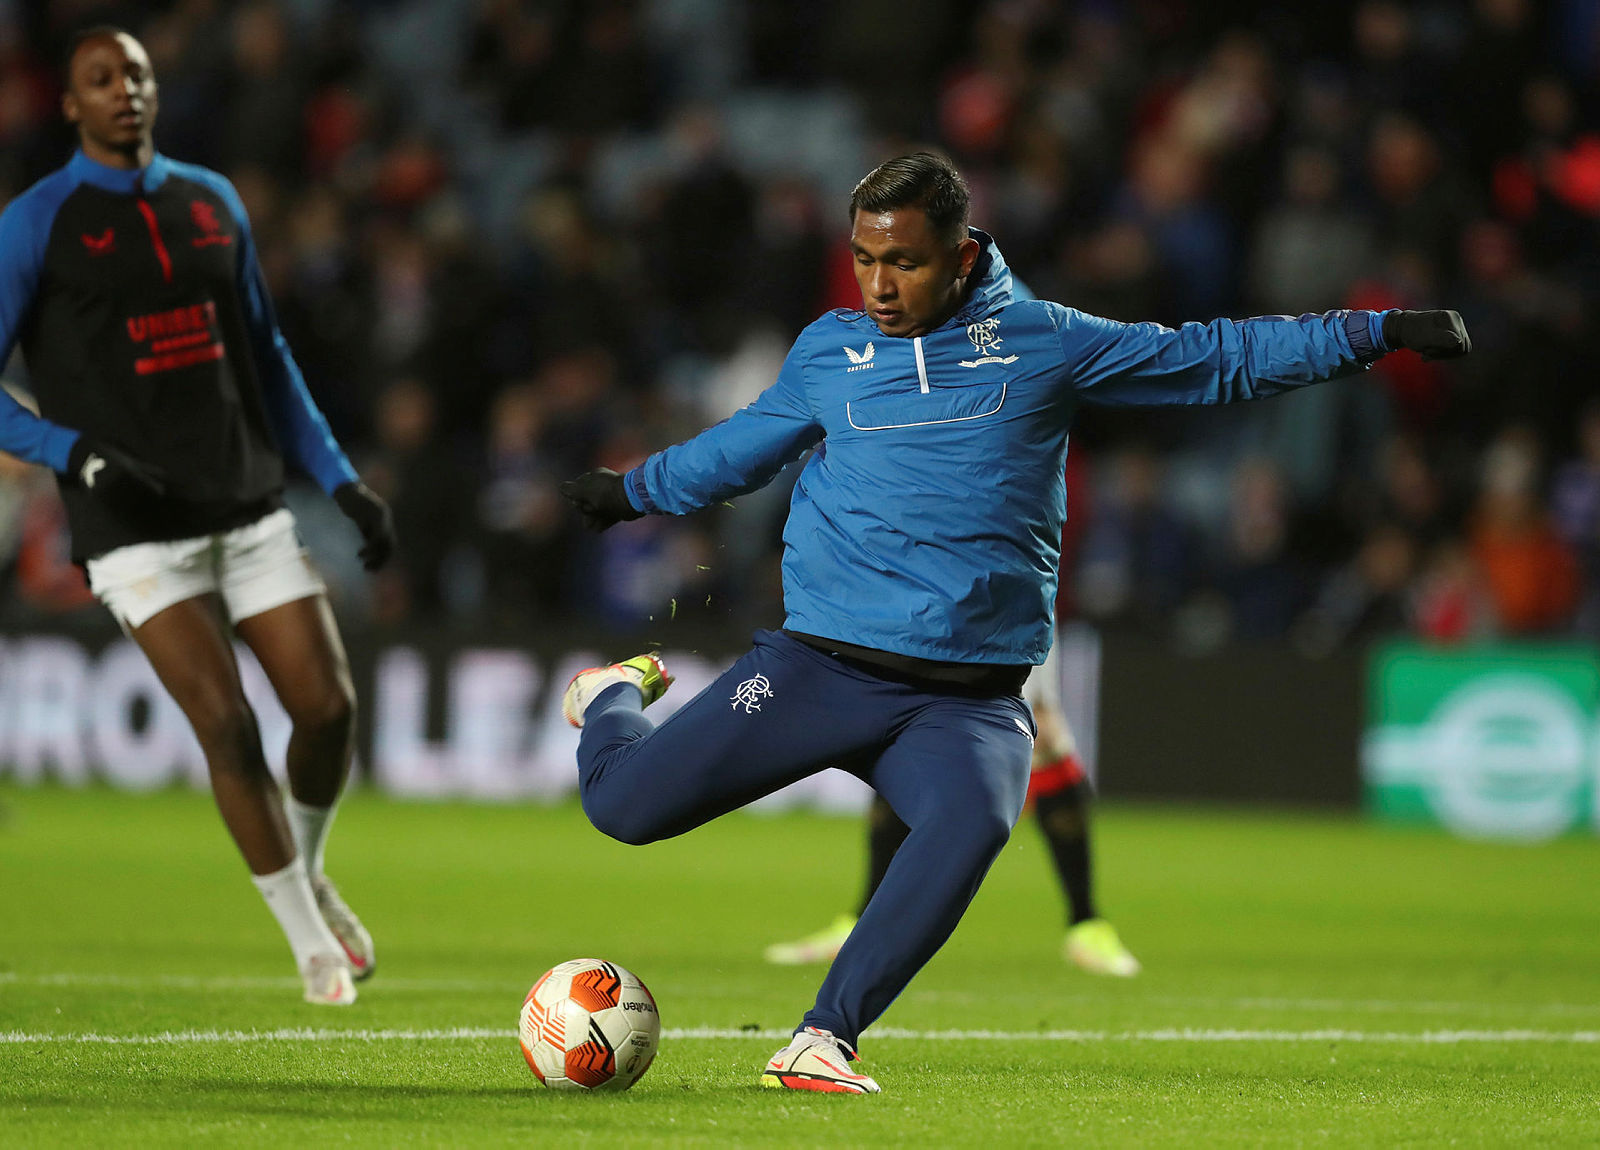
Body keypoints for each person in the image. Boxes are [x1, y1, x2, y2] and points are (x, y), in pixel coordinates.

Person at [559, 151, 1469, 1094]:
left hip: (967, 701)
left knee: (974, 819)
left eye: (903, 262)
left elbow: (1216, 357)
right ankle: (612, 695)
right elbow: (740, 451)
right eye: (865, 259)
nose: (878, 285)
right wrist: (631, 491)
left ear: (960, 256)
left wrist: (1376, 331)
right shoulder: (831, 351)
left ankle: (823, 1039)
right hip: (820, 670)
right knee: (624, 810)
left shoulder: (1043, 341)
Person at [0, 28, 395, 1005]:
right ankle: (308, 942)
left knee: (329, 709)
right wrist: (69, 451)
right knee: (226, 723)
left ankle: (307, 869)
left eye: (134, 73)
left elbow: (268, 357)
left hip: (246, 502)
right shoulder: (35, 223)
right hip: (133, 527)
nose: (123, 90)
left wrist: (340, 480)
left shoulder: (211, 201)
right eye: (100, 79)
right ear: (71, 105)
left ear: (154, 88)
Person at [764, 646, 1141, 977]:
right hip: (926, 605)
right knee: (904, 732)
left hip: (1003, 608)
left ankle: (1086, 925)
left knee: (1042, 730)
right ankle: (860, 924)